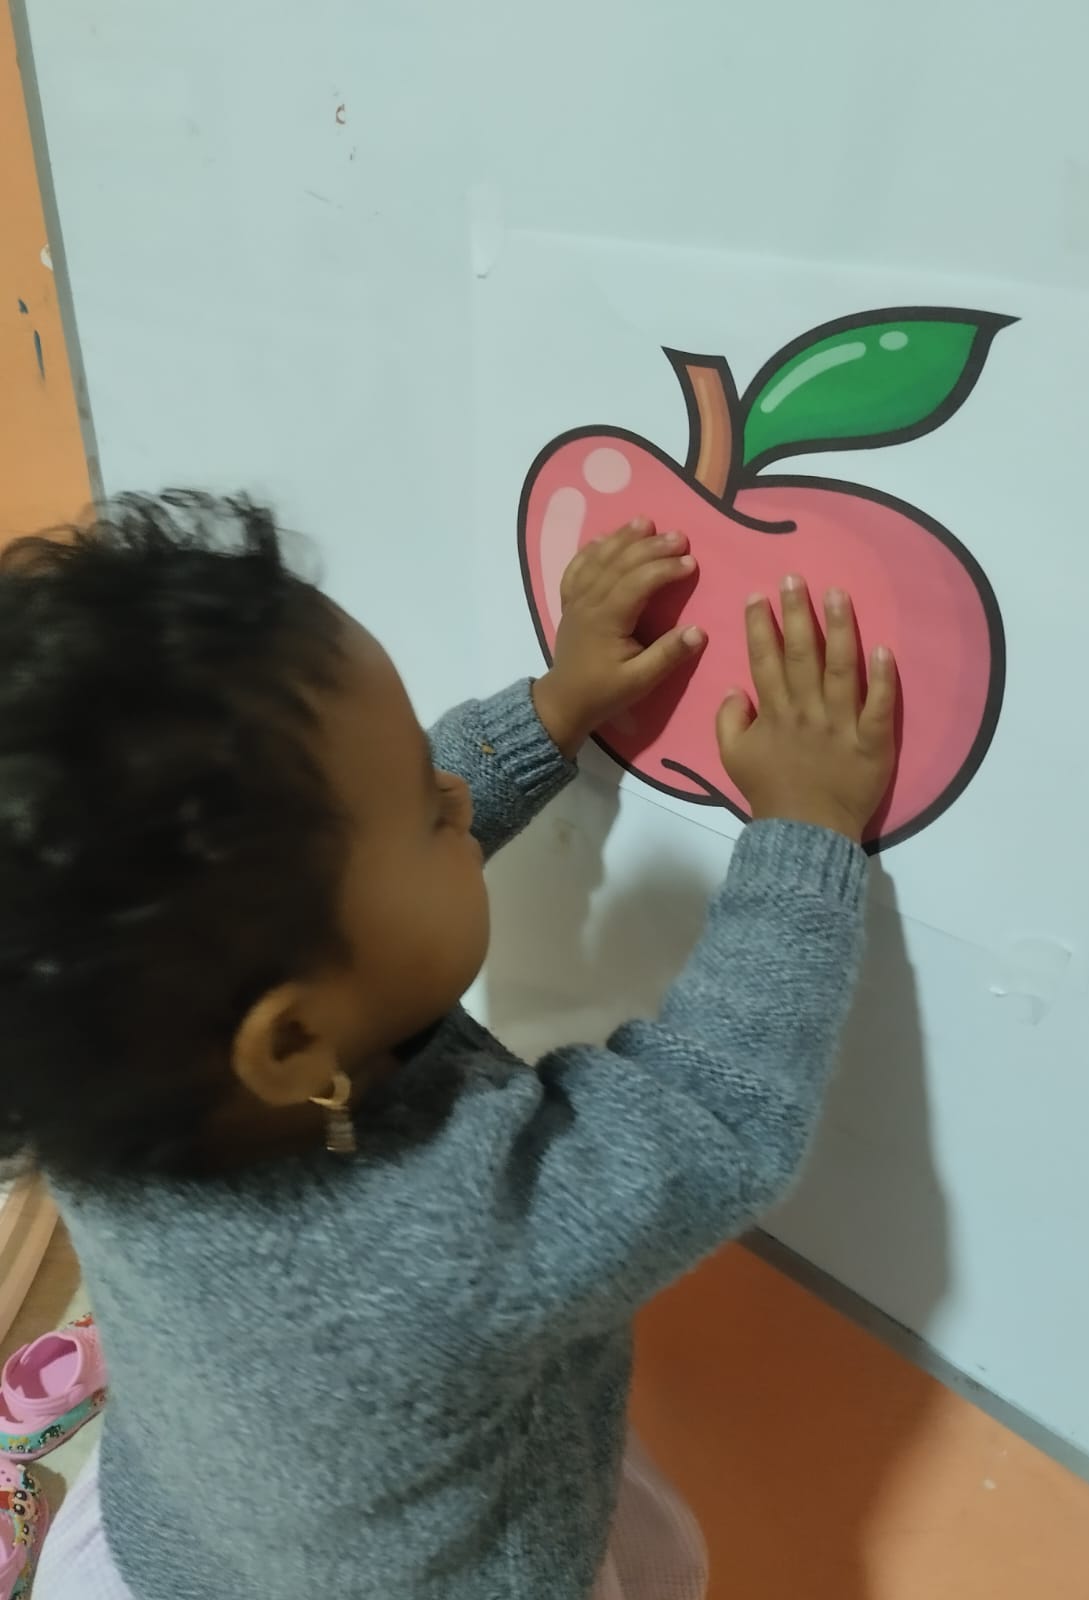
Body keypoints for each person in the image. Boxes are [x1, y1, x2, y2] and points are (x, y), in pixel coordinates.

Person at [0, 493, 896, 1600]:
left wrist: (552, 708)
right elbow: (713, 1111)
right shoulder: (453, 1238)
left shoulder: (108, 1071)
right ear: (294, 1037)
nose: (457, 789)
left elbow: (304, 871)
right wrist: (805, 832)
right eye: (432, 811)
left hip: (184, 1543)